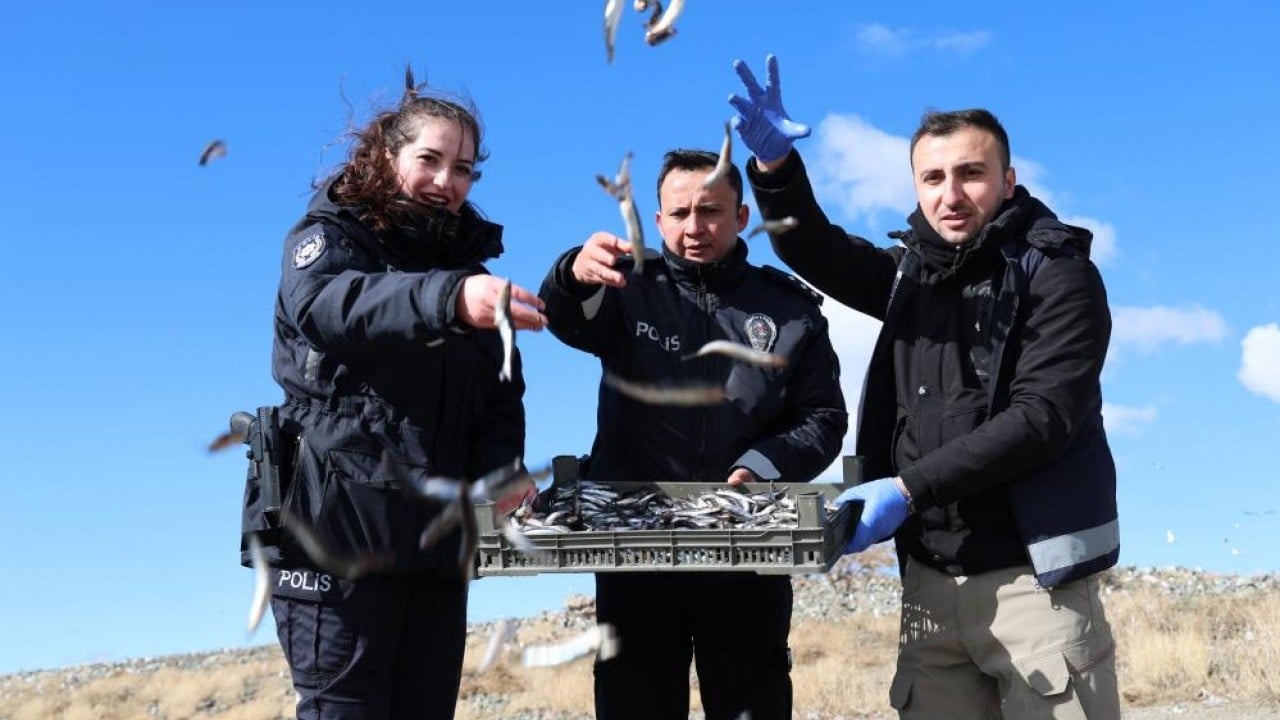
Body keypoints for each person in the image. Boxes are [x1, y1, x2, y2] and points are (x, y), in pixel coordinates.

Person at [729, 55, 1121, 720]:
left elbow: (1042, 417)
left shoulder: (1059, 277)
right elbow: (818, 250)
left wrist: (906, 489)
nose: (951, 193)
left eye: (971, 173)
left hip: (1035, 583)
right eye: (933, 178)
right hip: (931, 586)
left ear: (1008, 180)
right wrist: (775, 173)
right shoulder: (910, 279)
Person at [239, 71, 547, 720]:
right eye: (429, 160)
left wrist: (503, 468)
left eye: (463, 169)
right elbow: (332, 307)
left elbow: (499, 394)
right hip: (332, 534)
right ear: (386, 157)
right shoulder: (327, 240)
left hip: (436, 548)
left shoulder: (469, 275)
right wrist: (447, 301)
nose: (446, 181)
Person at [538, 148, 848, 720]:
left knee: (752, 702)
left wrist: (763, 464)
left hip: (748, 552)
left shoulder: (789, 311)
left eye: (710, 211)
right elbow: (566, 316)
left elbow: (824, 417)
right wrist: (570, 273)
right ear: (657, 222)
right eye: (678, 214)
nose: (693, 228)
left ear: (741, 217)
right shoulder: (627, 285)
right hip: (633, 552)